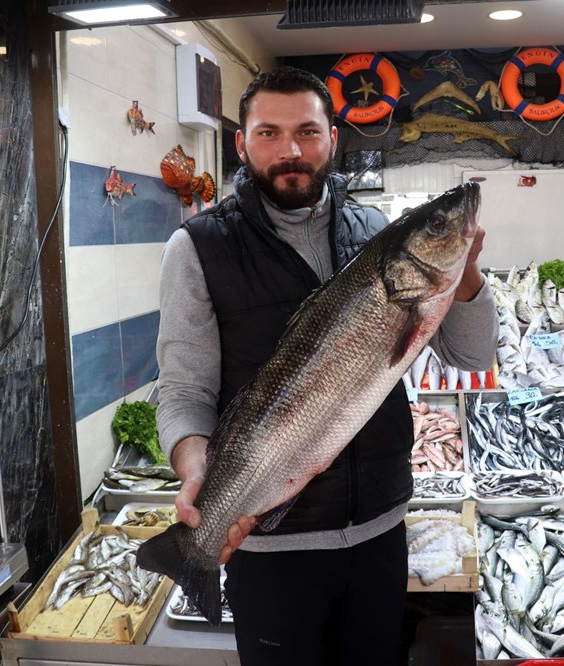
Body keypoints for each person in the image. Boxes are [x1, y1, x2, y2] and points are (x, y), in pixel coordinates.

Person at [155, 66, 497, 665]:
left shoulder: (377, 235)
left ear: (334, 138)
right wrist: (194, 470)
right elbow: (184, 389)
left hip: (379, 533)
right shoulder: (198, 248)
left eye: (308, 132)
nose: (291, 151)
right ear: (242, 143)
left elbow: (472, 357)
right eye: (269, 133)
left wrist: (462, 268)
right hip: (267, 547)